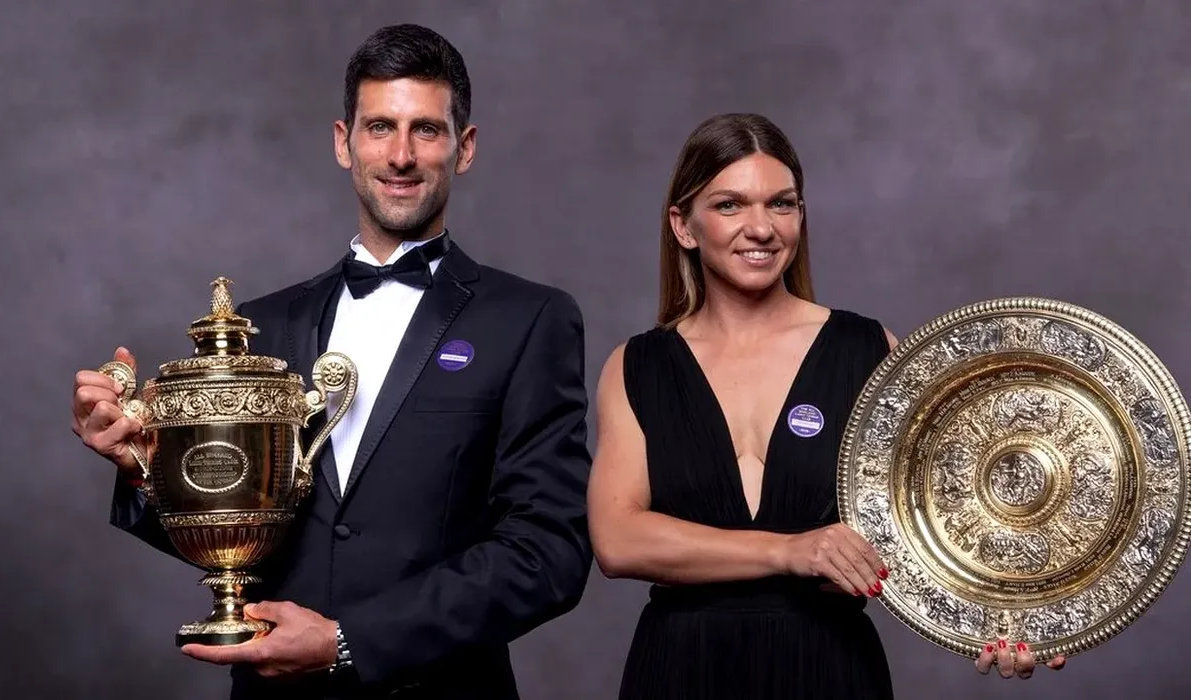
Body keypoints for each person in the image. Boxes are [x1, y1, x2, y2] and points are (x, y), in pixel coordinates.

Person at [71, 24, 593, 700]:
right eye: (380, 128)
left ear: (463, 148)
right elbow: (238, 527)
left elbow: (548, 552)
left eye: (426, 130)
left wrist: (350, 640)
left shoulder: (528, 320)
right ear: (343, 142)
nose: (400, 155)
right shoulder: (264, 327)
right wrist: (144, 470)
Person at [586, 112, 1066, 699]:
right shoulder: (636, 366)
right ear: (683, 226)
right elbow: (618, 540)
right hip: (680, 668)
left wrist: (1011, 614)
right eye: (730, 205)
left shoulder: (869, 350)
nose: (761, 228)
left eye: (781, 205)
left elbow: (950, 519)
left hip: (829, 666)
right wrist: (790, 551)